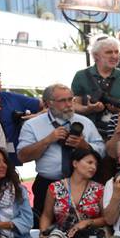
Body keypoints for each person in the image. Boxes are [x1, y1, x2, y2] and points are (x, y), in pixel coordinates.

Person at [15, 84, 104, 221]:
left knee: (85, 225)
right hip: (47, 184)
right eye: (62, 101)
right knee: (45, 226)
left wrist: (85, 145)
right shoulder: (32, 125)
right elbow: (22, 156)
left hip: (84, 184)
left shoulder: (84, 122)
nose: (68, 104)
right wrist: (48, 140)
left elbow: (102, 151)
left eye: (71, 99)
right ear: (48, 103)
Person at [71, 36, 120, 135]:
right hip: (88, 132)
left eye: (116, 52)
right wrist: (88, 109)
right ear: (96, 56)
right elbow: (74, 105)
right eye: (109, 52)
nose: (114, 56)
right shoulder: (81, 76)